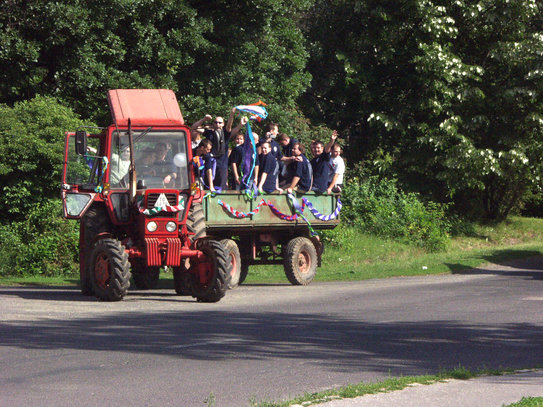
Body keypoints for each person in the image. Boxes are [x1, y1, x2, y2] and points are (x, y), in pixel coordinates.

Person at [192, 109, 247, 191]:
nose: (217, 124)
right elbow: (193, 128)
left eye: (220, 122)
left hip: (222, 165)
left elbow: (229, 125)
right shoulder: (209, 132)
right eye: (216, 122)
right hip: (210, 164)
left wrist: (232, 113)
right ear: (213, 123)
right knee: (208, 187)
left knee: (222, 187)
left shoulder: (225, 133)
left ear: (223, 124)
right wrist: (204, 119)